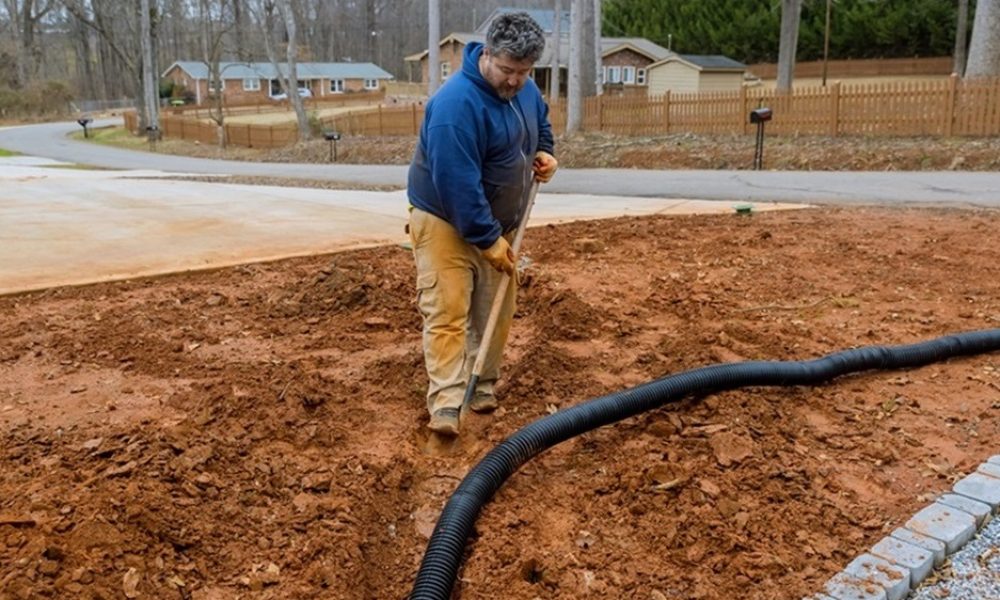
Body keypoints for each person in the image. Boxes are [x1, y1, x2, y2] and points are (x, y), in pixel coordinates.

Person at [407, 12, 558, 436]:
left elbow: (539, 125)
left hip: (498, 222)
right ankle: (448, 402)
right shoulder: (456, 105)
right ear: (486, 54)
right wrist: (487, 239)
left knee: (497, 308)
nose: (515, 81)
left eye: (525, 72)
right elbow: (457, 183)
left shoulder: (524, 91)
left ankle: (483, 384)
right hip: (445, 222)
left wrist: (545, 153)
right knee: (448, 311)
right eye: (508, 70)